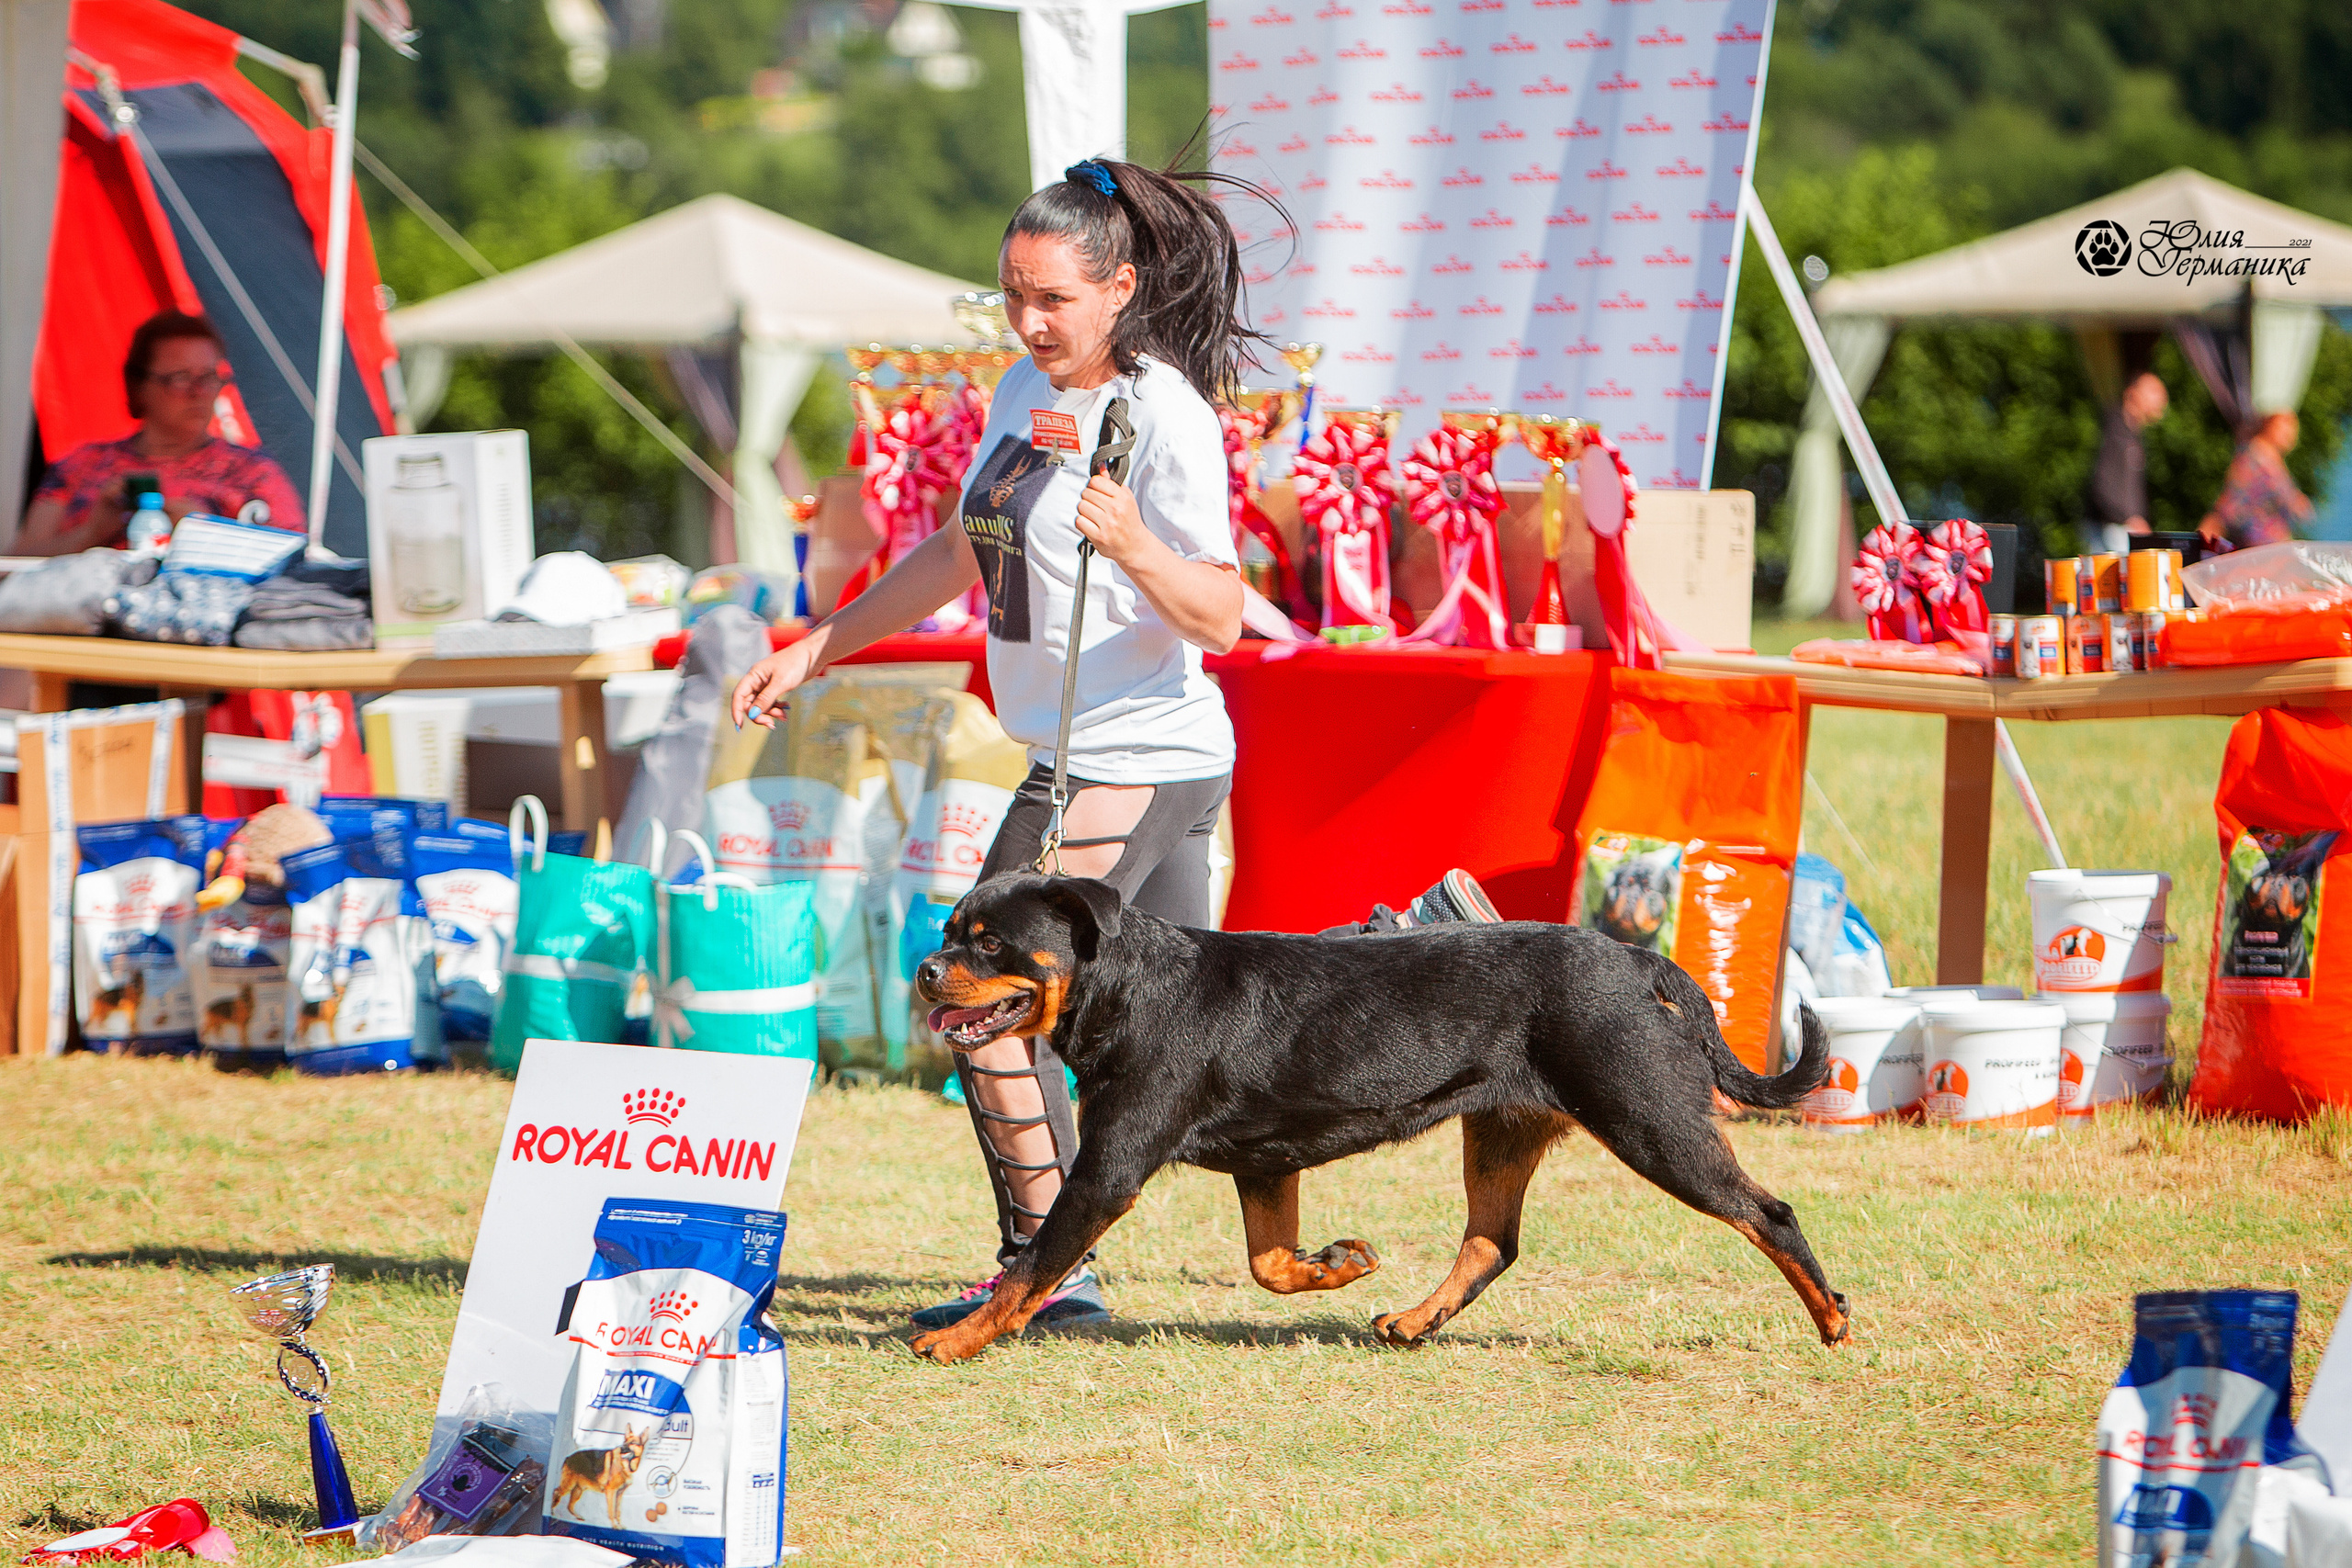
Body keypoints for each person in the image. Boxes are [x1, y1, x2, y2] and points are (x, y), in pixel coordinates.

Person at [730, 155, 1500, 1334]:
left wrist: (1136, 541)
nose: (1030, 322)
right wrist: (817, 643)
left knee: (982, 996)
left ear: (1120, 289)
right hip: (1126, 755)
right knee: (1211, 1021)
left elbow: (1214, 611)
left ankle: (1044, 1277)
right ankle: (1427, 942)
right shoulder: (1011, 396)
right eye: (1012, 295)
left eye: (1053, 299)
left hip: (1131, 752)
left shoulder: (1167, 418)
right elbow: (956, 550)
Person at [15, 311, 306, 554]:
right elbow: (14, 566)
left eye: (209, 378)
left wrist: (206, 533)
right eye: (180, 378)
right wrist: (91, 533)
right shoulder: (80, 467)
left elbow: (297, 565)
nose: (199, 393)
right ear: (138, 386)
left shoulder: (254, 474)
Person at [2202, 411, 2313, 550]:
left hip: (2273, 552)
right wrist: (2202, 545)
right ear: (2268, 423)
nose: (2291, 432)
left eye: (2294, 426)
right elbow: (2228, 507)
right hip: (2255, 553)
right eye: (2285, 424)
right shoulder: (2253, 459)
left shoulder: (2273, 461)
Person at [2087, 369, 2167, 553]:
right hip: (2111, 528)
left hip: (2119, 527)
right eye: (2154, 392)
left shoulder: (2131, 435)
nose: (2162, 400)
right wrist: (2130, 517)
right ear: (2132, 393)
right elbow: (2103, 481)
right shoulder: (2116, 432)